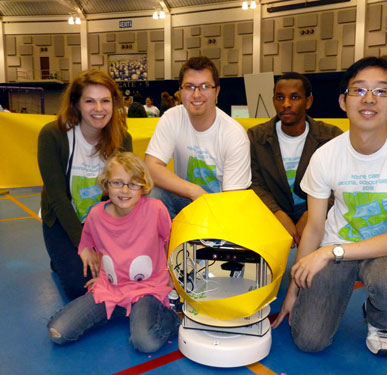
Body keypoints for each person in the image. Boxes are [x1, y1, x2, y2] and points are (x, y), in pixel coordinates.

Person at [272, 57, 387, 357]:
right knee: (309, 340)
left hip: (385, 252)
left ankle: (380, 320)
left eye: (382, 91)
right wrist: (293, 289)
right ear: (344, 101)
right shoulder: (326, 155)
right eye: (359, 90)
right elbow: (315, 226)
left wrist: (331, 251)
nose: (369, 99)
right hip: (336, 251)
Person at [48, 152, 180, 353]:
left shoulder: (156, 209)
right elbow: (88, 245)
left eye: (133, 184)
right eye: (117, 183)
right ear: (106, 184)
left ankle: (170, 318)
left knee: (145, 342)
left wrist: (170, 275)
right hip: (111, 289)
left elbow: (170, 242)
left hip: (147, 288)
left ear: (143, 187)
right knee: (58, 331)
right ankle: (121, 310)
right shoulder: (96, 215)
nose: (125, 190)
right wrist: (103, 275)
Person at [38, 69, 133, 300]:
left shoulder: (122, 139)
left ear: (114, 104)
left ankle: (68, 255)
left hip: (102, 221)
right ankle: (60, 256)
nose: (99, 109)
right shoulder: (53, 135)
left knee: (123, 274)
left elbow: (119, 195)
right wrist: (85, 245)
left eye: (105, 101)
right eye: (90, 101)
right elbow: (58, 198)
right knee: (81, 287)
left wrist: (105, 242)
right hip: (63, 219)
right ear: (76, 104)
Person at [145, 56, 251, 218]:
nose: (196, 94)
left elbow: (232, 203)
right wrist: (194, 191)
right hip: (187, 201)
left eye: (204, 86)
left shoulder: (234, 135)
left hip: (220, 210)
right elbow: (151, 168)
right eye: (189, 87)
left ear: (217, 91)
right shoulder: (172, 117)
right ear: (180, 91)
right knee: (152, 195)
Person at [248, 72, 342, 246]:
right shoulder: (256, 137)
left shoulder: (331, 137)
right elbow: (254, 183)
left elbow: (338, 184)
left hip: (321, 217)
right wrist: (277, 213)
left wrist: (312, 215)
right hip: (271, 217)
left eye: (294, 97)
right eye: (280, 97)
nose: (286, 104)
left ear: (308, 101)